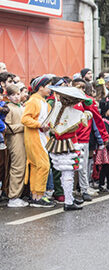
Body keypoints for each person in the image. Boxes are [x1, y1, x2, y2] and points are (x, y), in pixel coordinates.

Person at [22, 75, 54, 207]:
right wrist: (39, 124)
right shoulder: (33, 101)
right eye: (48, 86)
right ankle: (38, 195)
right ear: (40, 87)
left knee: (37, 167)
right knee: (43, 166)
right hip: (34, 137)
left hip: (42, 137)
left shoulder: (44, 102)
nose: (50, 89)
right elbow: (25, 119)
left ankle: (36, 196)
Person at [4, 84, 26, 207]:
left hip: (23, 139)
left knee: (22, 167)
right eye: (12, 95)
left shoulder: (20, 107)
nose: (16, 97)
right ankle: (13, 196)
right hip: (15, 139)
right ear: (8, 96)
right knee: (17, 167)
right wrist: (23, 126)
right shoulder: (8, 108)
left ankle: (19, 194)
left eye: (18, 94)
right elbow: (7, 128)